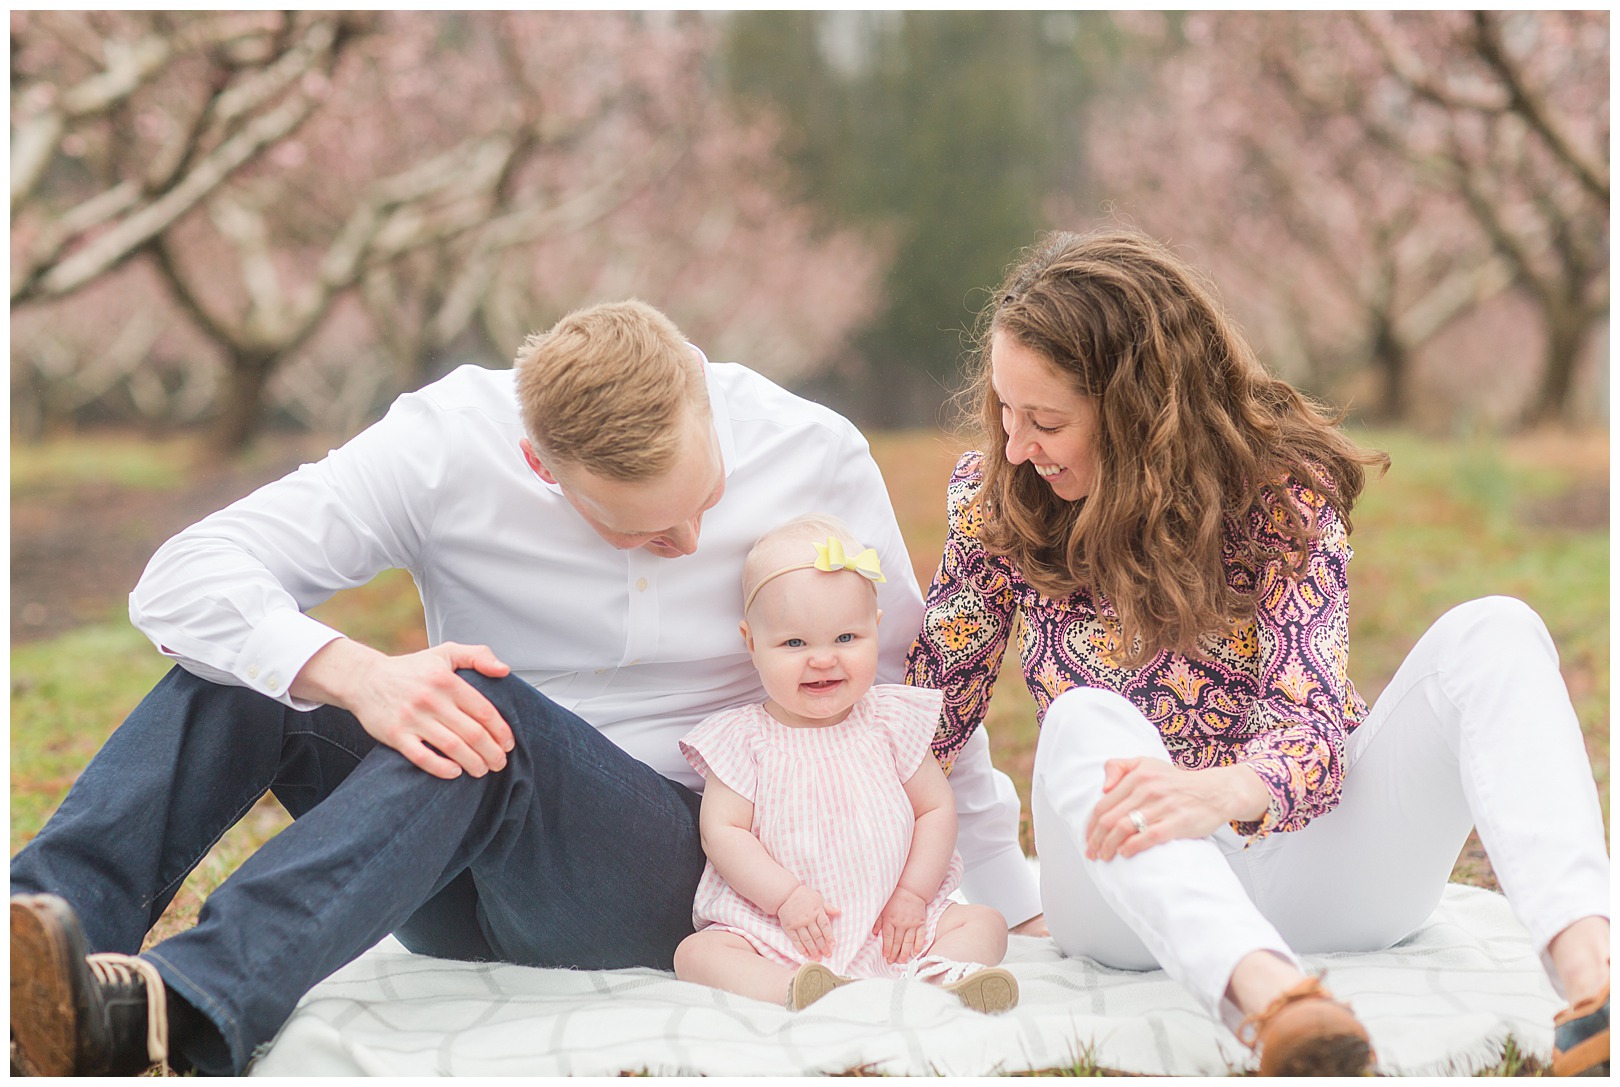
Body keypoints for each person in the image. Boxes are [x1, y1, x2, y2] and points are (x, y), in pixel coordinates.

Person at [9, 300, 1042, 1077]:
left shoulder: (810, 450)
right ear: (537, 463)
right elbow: (183, 578)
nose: (687, 544)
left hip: (689, 867)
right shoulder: (445, 443)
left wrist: (1001, 891)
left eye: (705, 504)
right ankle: (34, 942)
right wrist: (359, 674)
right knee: (248, 667)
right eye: (644, 530)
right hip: (444, 868)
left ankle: (178, 1012)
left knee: (484, 707)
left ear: (705, 398)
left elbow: (920, 697)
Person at [905, 230, 1611, 1076]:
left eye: (1047, 421)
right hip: (1128, 896)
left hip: (1319, 865)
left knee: (1496, 628)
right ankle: (1278, 1004)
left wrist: (1213, 792)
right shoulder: (1000, 498)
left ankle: (1593, 983)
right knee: (1085, 719)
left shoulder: (1281, 493)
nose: (1018, 446)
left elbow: (1313, 727)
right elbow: (928, 718)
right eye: (1006, 412)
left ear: (1138, 411)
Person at [671, 514, 1017, 1013]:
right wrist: (785, 898)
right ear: (751, 643)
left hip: (894, 924)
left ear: (875, 631)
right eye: (794, 643)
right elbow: (722, 833)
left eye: (846, 639)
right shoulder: (743, 739)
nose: (823, 660)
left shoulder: (891, 722)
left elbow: (934, 811)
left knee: (984, 922)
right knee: (697, 953)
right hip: (783, 933)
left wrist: (914, 896)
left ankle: (936, 978)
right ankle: (794, 990)